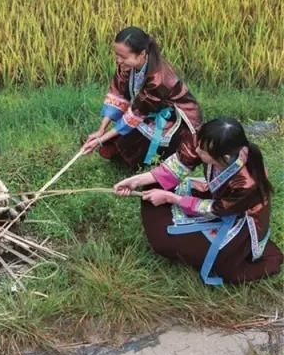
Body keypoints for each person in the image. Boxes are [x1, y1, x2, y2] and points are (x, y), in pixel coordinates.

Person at [114, 118, 282, 285]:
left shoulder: (246, 185)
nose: (196, 150)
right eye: (199, 145)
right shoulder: (207, 142)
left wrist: (171, 198)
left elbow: (216, 208)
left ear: (223, 157)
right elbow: (176, 166)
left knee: (173, 242)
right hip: (215, 195)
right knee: (153, 184)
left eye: (202, 151)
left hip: (234, 215)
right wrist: (135, 181)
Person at [82, 27, 202, 169]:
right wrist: (101, 130)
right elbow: (118, 93)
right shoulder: (126, 65)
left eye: (124, 57)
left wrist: (100, 140)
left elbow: (137, 113)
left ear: (142, 54)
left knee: (137, 151)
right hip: (147, 110)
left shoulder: (159, 79)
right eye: (116, 55)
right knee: (121, 147)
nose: (118, 60)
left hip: (174, 119)